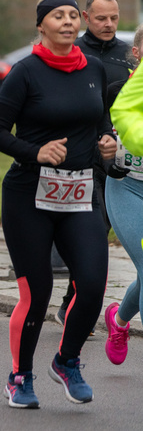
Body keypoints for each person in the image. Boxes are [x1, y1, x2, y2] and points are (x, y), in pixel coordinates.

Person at [0, 0, 115, 408]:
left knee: (92, 285)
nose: (67, 21)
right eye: (57, 16)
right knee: (37, 292)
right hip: (30, 195)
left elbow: (102, 125)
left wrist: (108, 146)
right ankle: (19, 376)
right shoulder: (25, 72)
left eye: (71, 15)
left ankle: (67, 360)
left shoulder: (92, 67)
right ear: (41, 26)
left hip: (80, 193)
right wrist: (35, 152)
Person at [56, 0, 136, 323]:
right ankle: (74, 305)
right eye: (101, 18)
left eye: (114, 18)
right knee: (88, 236)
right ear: (86, 17)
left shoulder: (127, 54)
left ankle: (74, 306)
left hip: (118, 157)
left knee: (97, 235)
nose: (108, 24)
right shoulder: (73, 51)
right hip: (79, 156)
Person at [101, 24, 143, 366]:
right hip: (126, 185)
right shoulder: (119, 91)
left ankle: (118, 320)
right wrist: (107, 159)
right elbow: (96, 137)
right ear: (137, 53)